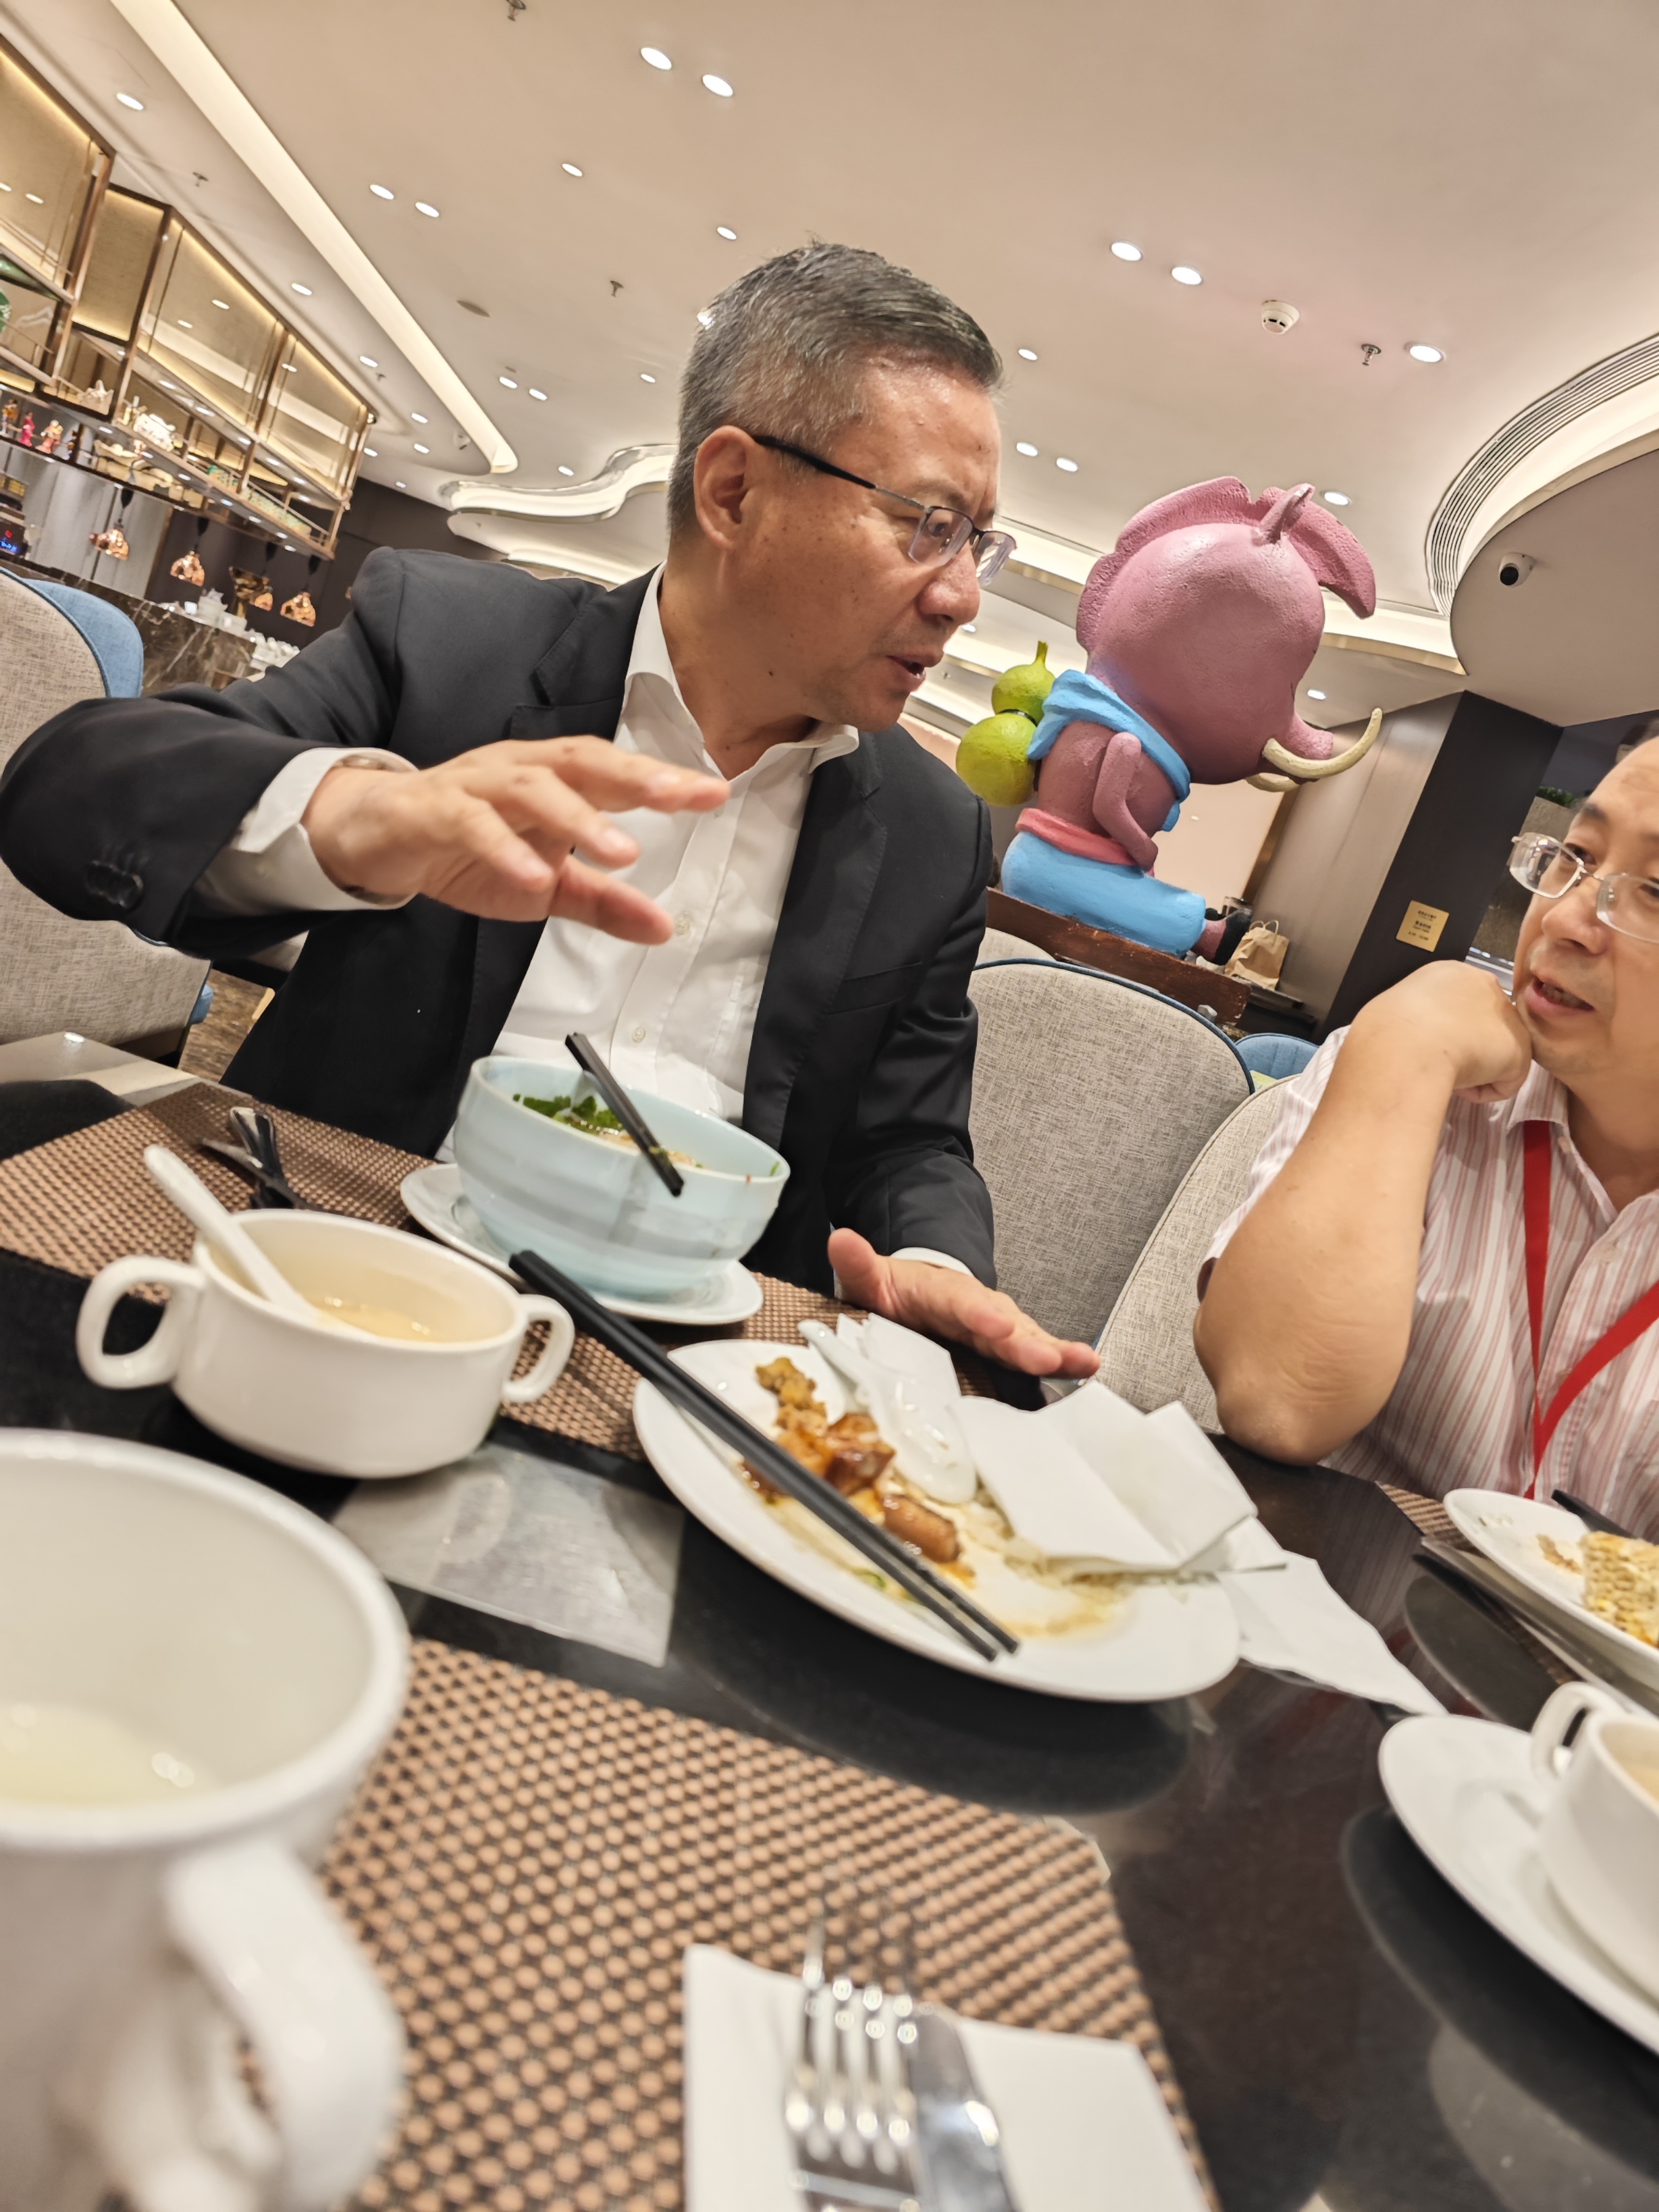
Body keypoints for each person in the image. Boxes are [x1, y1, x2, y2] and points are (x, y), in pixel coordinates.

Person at [0, 244, 1097, 1380]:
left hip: (687, 1365)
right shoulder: (450, 649)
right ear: (734, 491)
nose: (963, 596)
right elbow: (67, 790)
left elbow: (909, 1137)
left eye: (978, 541)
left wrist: (934, 1260)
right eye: (927, 523)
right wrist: (358, 816)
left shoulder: (932, 832)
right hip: (343, 1268)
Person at [1196, 741, 1659, 1534]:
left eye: (1654, 891)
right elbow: (1276, 1404)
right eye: (1575, 858)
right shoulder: (1420, 1076)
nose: (1562, 919)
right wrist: (1404, 1044)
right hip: (1327, 1591)